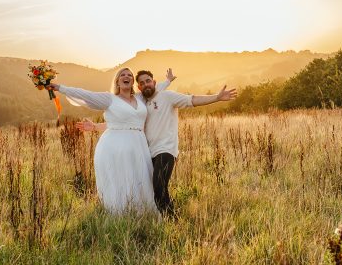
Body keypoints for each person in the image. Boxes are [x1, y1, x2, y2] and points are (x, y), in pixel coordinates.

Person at [78, 70, 237, 218]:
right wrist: (95, 127)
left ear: (154, 82)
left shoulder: (168, 97)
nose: (146, 84)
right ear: (138, 87)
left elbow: (192, 100)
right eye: (142, 83)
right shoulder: (139, 104)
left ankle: (172, 221)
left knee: (159, 186)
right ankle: (154, 215)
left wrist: (216, 97)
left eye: (148, 81)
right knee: (153, 189)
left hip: (166, 150)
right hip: (147, 153)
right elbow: (123, 124)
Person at [48, 67, 170, 215]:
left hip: (139, 146)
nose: (126, 77)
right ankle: (120, 217)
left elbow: (155, 89)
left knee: (141, 180)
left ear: (133, 81)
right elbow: (86, 94)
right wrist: (61, 88)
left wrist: (168, 80)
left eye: (129, 75)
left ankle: (143, 215)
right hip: (114, 148)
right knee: (120, 182)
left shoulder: (140, 98)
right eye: (122, 75)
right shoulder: (109, 99)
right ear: (117, 81)